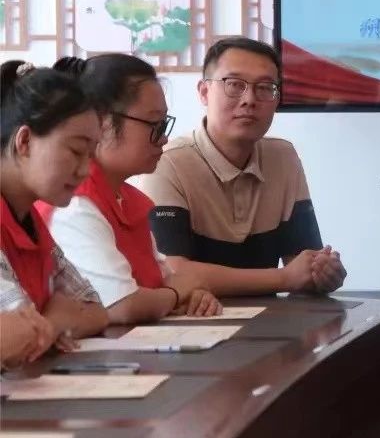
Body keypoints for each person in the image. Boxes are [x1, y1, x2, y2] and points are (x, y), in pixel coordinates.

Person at [134, 37, 346, 294]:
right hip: (193, 316)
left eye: (265, 87)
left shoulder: (283, 158)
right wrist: (282, 279)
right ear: (204, 92)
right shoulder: (168, 162)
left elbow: (302, 265)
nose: (249, 100)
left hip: (272, 316)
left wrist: (322, 271)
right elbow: (174, 271)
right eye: (234, 84)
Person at [43, 54, 222, 324]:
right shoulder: (75, 205)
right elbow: (122, 305)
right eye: (154, 125)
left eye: (164, 124)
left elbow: (164, 280)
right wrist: (176, 294)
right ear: (101, 123)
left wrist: (192, 295)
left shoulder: (124, 198)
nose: (164, 138)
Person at [0, 61, 108, 351]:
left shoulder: (29, 218)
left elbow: (95, 309)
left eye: (90, 155)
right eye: (76, 150)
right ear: (24, 141)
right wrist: (57, 319)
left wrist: (50, 324)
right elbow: (20, 337)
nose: (85, 170)